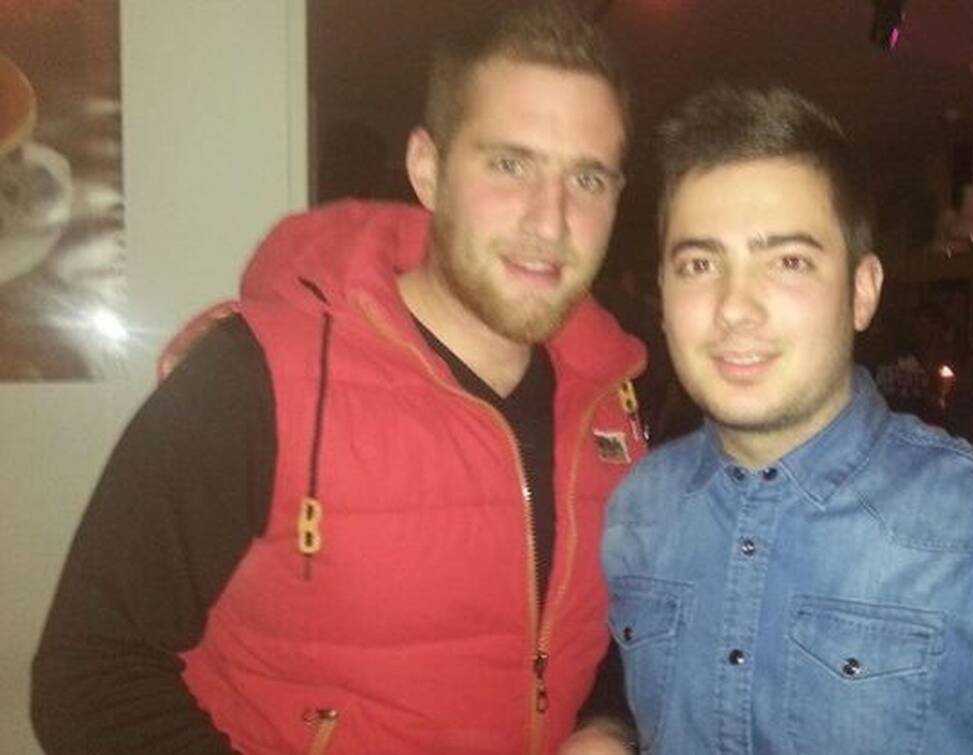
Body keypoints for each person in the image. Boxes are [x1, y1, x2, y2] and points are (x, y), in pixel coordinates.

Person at [32, 4, 644, 753]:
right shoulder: (253, 375)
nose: (550, 222)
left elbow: (618, 627)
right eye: (510, 165)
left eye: (587, 177)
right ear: (428, 169)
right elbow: (89, 675)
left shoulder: (615, 403)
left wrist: (606, 724)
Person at [601, 85, 973, 753]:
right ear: (663, 294)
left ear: (862, 291)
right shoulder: (636, 510)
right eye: (699, 264)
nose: (735, 306)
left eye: (789, 261)